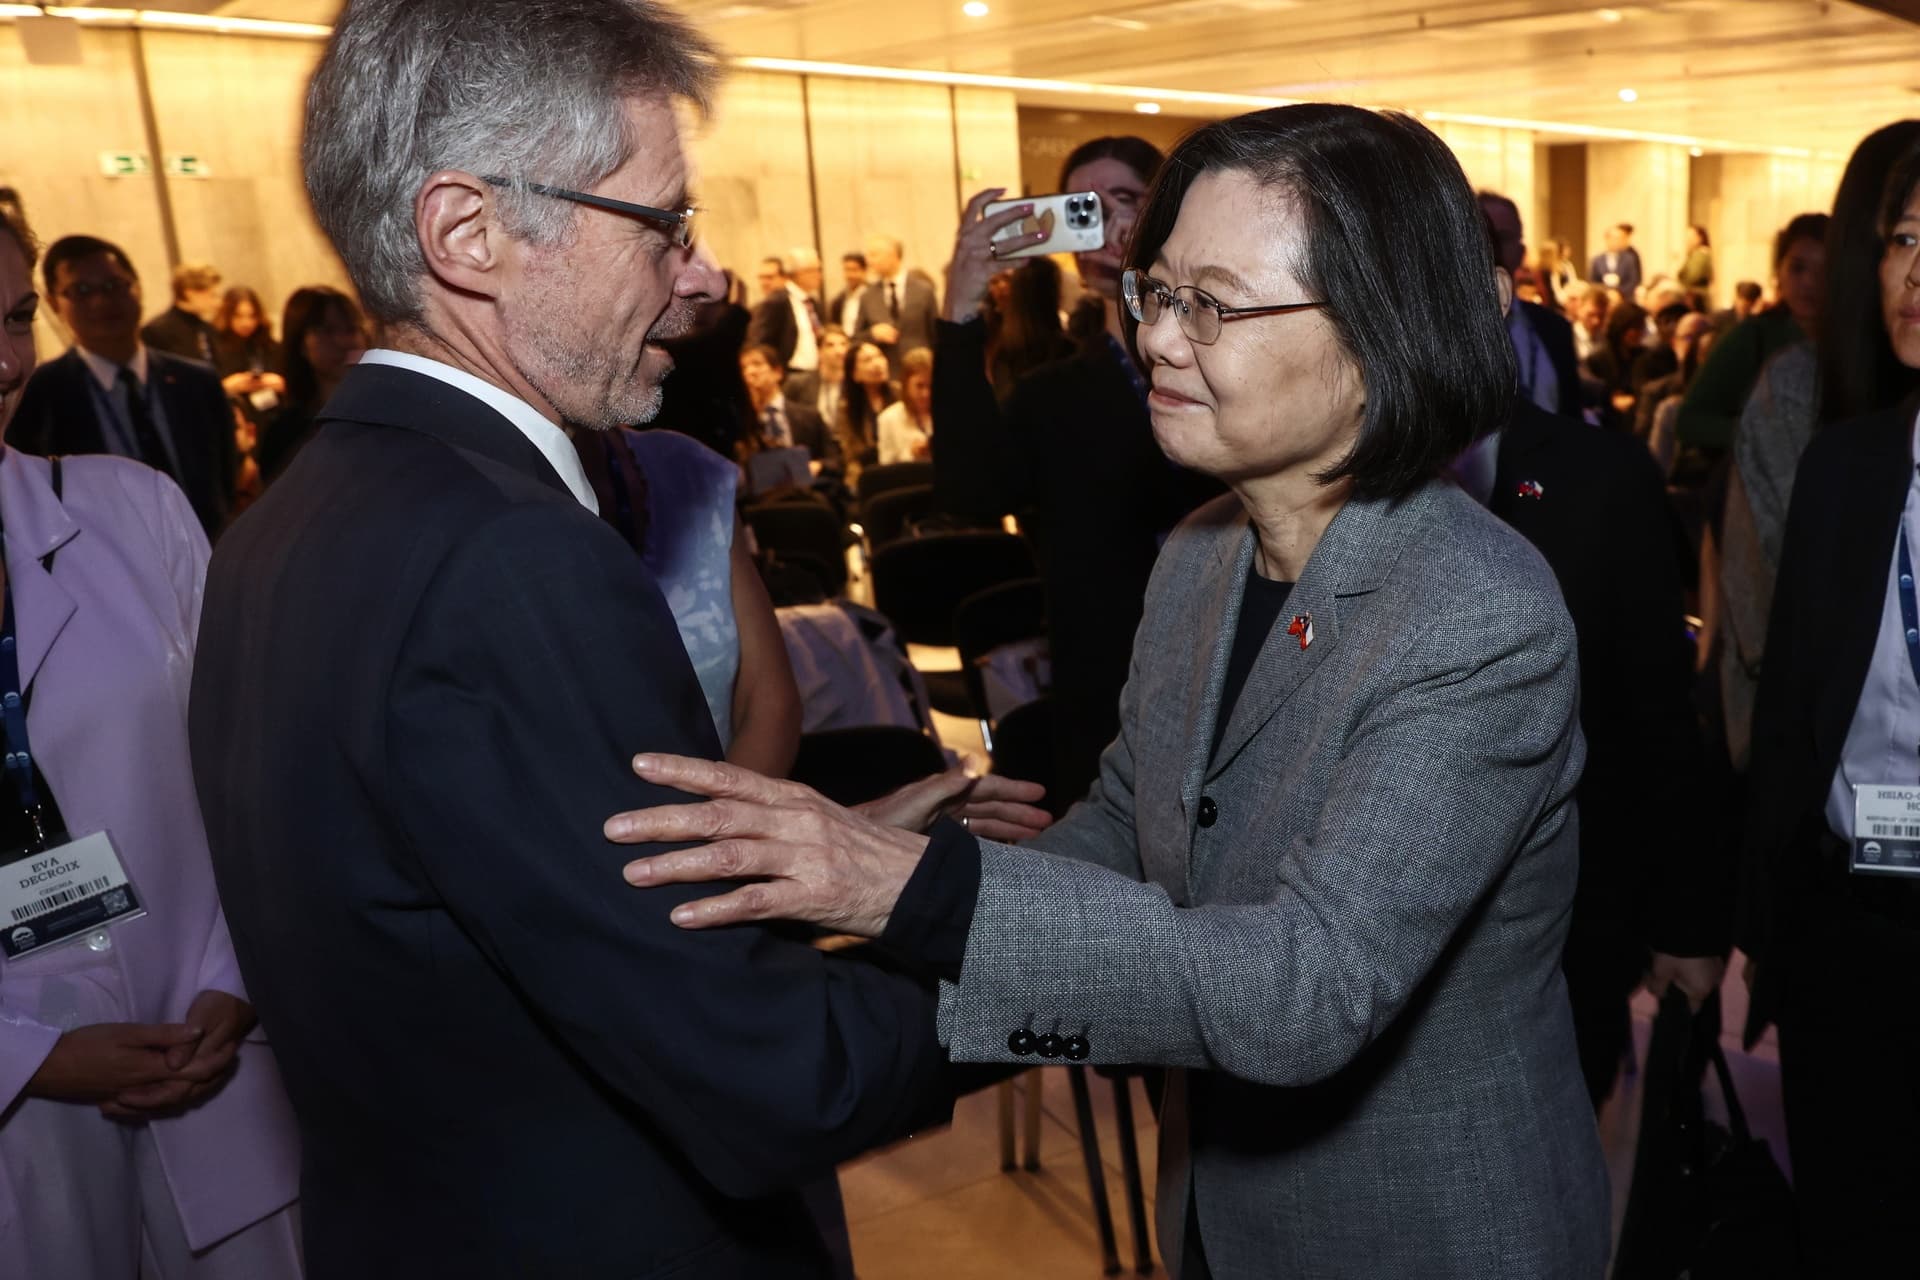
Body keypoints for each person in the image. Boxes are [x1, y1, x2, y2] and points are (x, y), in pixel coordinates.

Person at [612, 102, 1609, 1279]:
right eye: (1157, 292)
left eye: (1213, 304)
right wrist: (898, 870)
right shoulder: (1200, 554)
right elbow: (1129, 830)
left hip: (1419, 1232)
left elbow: (1304, 987)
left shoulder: (1474, 614)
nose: (1159, 338)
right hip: (1217, 1202)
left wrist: (915, 893)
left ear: (1380, 336)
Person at [186, 4, 1042, 1275]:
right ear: (468, 233)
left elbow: (526, 925)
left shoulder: (283, 523)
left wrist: (836, 856)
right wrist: (1052, 959)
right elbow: (767, 1071)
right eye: (664, 225)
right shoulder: (511, 553)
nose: (706, 277)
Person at [0, 200, 302, 1277]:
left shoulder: (135, 513)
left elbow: (259, 773)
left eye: (15, 320)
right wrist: (28, 1058)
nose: (6, 364)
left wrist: (235, 974)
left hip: (208, 1048)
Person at [1737, 139, 1920, 1273]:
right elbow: (1788, 714)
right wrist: (1769, 929)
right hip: (1848, 935)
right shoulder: (1846, 466)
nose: (1916, 272)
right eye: (1903, 240)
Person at [933, 136, 1221, 810]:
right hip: (1105, 691)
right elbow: (970, 492)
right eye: (1082, 206)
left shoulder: (1220, 358)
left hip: (1227, 667)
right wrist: (960, 309)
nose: (1106, 222)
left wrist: (1159, 277)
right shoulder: (1053, 393)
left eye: (1125, 200)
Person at [1714, 120, 1920, 770]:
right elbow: (1769, 616)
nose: (1915, 269)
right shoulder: (1805, 406)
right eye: (1905, 237)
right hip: (1819, 766)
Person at [574, 424, 803, 779]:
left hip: (736, 804)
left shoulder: (687, 467)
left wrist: (722, 808)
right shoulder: (488, 489)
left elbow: (771, 702)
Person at [10, 236, 235, 537]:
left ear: (137, 287)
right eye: (81, 290)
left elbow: (224, 481)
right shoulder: (38, 393)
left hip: (208, 550)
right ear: (53, 303)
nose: (101, 301)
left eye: (114, 285)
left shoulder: (198, 381)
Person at [1675, 212, 1829, 457]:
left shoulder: (1858, 344)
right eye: (1798, 268)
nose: (1809, 282)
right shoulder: (1752, 336)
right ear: (1779, 271)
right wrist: (1760, 435)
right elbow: (1689, 420)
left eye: (1824, 270)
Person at [1478, 191, 1581, 419]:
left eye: (1503, 237)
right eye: (1483, 235)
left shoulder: (1554, 329)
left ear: (1521, 252)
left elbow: (1572, 417)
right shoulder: (1442, 333)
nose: (1493, 247)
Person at [252, 286, 365, 486]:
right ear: (301, 344)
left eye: (351, 329)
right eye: (327, 331)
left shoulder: (385, 416)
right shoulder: (286, 433)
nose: (344, 342)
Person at [987, 255, 1072, 403]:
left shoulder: (1005, 353)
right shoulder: (1072, 349)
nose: (1000, 287)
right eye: (994, 281)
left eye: (1007, 279)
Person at [739, 342, 837, 469]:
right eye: (743, 368)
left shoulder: (809, 417)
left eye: (757, 364)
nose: (750, 371)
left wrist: (818, 466)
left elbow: (836, 460)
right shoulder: (741, 421)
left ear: (778, 372)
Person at [853, 235, 938, 376]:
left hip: (920, 372)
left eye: (874, 255)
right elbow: (856, 339)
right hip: (885, 373)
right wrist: (873, 334)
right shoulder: (867, 296)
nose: (868, 260)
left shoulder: (923, 290)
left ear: (893, 256)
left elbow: (936, 335)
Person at [213, 286, 286, 413]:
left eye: (252, 316)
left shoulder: (267, 343)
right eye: (238, 316)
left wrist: (280, 383)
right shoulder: (214, 345)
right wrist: (226, 386)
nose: (246, 323)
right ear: (227, 316)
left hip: (273, 412)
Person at [748, 255, 821, 375]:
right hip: (789, 372)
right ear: (797, 273)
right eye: (813, 270)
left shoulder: (812, 302)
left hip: (814, 371)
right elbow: (760, 341)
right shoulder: (777, 302)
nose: (818, 275)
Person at [141, 262, 222, 365]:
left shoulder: (206, 328)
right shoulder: (156, 331)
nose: (218, 303)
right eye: (212, 295)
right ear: (190, 293)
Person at [841, 338, 895, 468]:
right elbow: (851, 454)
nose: (877, 364)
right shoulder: (846, 408)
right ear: (854, 374)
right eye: (867, 360)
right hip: (868, 470)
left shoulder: (902, 394)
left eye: (879, 356)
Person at [785, 325, 850, 433]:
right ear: (819, 351)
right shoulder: (798, 383)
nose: (839, 351)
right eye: (830, 345)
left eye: (844, 344)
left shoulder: (855, 385)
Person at [875, 345, 934, 463]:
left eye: (931, 385)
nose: (926, 393)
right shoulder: (888, 419)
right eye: (919, 386)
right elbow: (886, 465)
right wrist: (911, 454)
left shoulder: (951, 413)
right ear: (906, 384)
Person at [1590, 221, 1643, 297]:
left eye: (1620, 239)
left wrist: (1619, 293)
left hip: (1624, 298)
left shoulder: (1629, 258)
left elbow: (1633, 281)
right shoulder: (1597, 260)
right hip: (1603, 297)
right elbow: (1593, 282)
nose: (1617, 241)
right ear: (1607, 239)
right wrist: (1606, 293)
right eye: (1614, 238)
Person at [830, 251, 866, 336]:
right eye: (847, 270)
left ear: (864, 271)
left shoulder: (874, 297)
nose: (850, 275)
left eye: (854, 270)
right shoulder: (839, 300)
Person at [1677, 223, 1714, 306]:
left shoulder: (1701, 255)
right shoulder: (1694, 255)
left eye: (1691, 238)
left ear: (1699, 238)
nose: (1687, 241)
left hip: (1695, 298)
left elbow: (1692, 277)